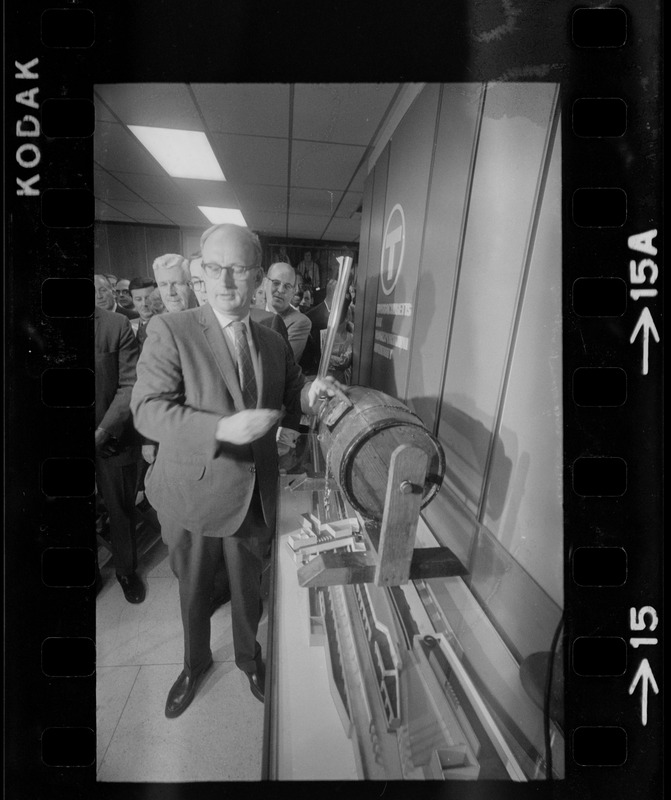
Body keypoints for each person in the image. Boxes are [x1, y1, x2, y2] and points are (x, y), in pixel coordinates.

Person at [130, 223, 343, 717]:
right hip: (193, 494)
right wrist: (224, 429)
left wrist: (312, 394)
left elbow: (293, 398)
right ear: (201, 273)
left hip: (254, 495)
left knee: (248, 589)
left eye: (238, 269)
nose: (225, 280)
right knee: (194, 590)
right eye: (213, 268)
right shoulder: (174, 330)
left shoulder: (271, 339)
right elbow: (148, 410)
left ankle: (250, 659)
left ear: (258, 277)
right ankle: (194, 664)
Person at [95, 306, 145, 603]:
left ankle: (126, 570)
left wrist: (104, 430)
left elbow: (130, 384)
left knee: (120, 507)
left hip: (112, 434)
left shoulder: (116, 325)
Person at [264, 262, 312, 362]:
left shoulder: (300, 322)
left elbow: (281, 364)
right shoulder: (249, 313)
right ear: (265, 283)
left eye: (287, 286)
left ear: (293, 292)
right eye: (276, 283)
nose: (281, 290)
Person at [128, 277, 158, 349]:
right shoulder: (127, 327)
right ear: (132, 300)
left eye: (148, 298)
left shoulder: (167, 324)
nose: (144, 303)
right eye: (138, 299)